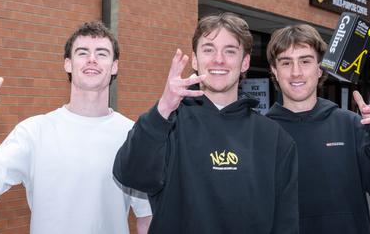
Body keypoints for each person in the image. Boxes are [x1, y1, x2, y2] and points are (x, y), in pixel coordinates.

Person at [113, 13, 299, 233]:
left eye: (230, 51)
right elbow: (131, 175)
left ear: (245, 62)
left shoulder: (274, 138)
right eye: (208, 49)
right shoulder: (167, 124)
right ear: (194, 59)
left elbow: (286, 225)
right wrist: (163, 108)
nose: (218, 59)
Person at [0, 21, 152, 234]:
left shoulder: (133, 136)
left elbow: (147, 217)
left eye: (101, 53)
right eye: (82, 52)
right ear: (68, 64)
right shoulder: (34, 132)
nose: (92, 59)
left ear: (115, 66)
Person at [265, 24, 370, 234]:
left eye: (305, 61)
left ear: (320, 68)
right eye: (286, 62)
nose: (296, 72)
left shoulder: (352, 126)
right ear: (274, 70)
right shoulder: (259, 133)